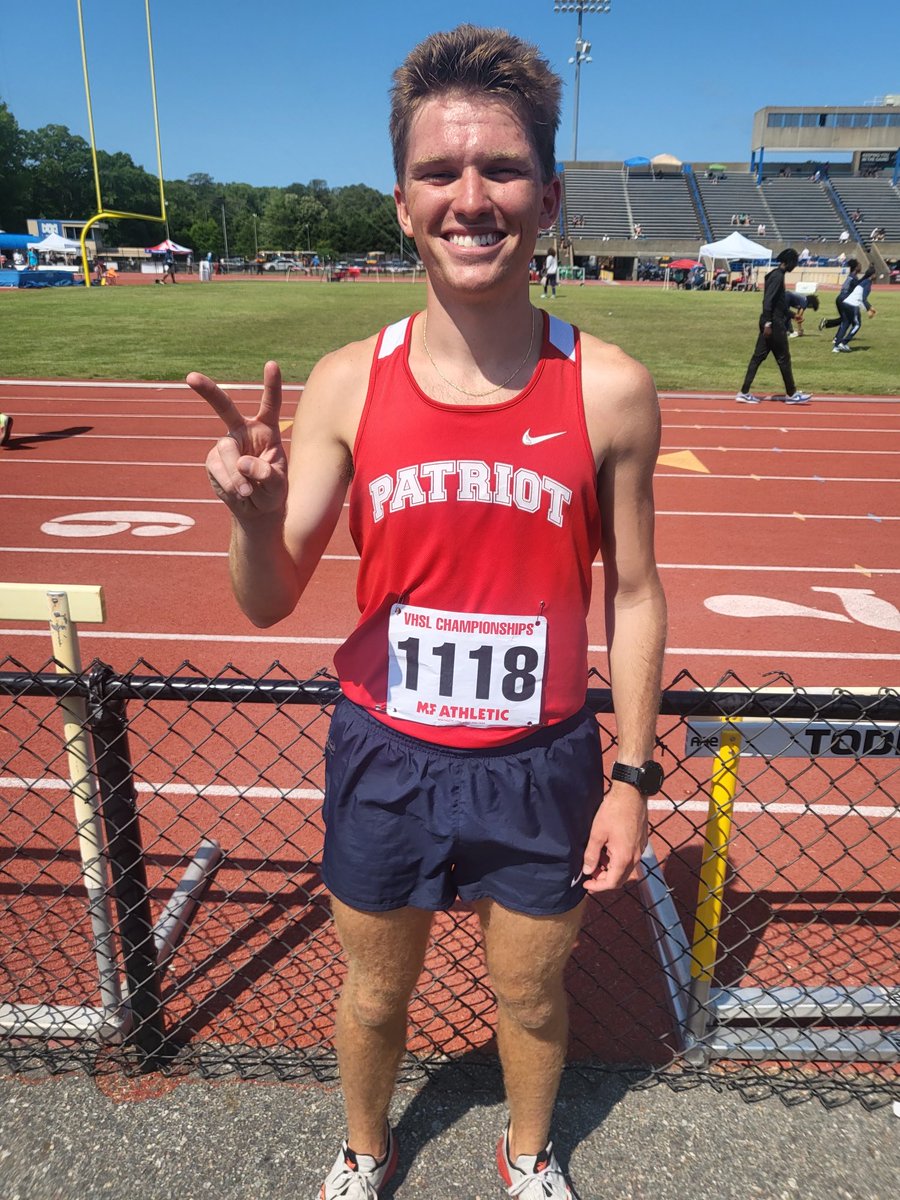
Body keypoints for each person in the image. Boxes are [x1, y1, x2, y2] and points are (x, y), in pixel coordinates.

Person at [188, 24, 666, 1200]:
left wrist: (635, 776)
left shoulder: (606, 386)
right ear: (402, 201)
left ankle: (527, 1152)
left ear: (547, 196)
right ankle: (363, 1147)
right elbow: (266, 602)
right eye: (439, 174)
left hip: (539, 759)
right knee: (374, 991)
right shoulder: (352, 378)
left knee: (532, 993)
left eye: (500, 170)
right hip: (386, 751)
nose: (471, 199)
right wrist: (251, 518)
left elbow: (639, 593)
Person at [736, 248, 812, 405]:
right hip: (773, 323)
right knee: (784, 358)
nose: (795, 266)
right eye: (795, 262)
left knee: (757, 358)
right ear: (789, 262)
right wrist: (768, 324)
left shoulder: (776, 275)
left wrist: (792, 315)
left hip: (769, 321)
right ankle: (791, 395)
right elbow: (768, 302)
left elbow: (780, 304)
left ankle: (744, 392)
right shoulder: (777, 277)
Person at [832, 265, 877, 351]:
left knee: (845, 323)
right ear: (872, 275)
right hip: (852, 305)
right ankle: (843, 343)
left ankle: (836, 347)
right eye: (875, 274)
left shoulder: (863, 282)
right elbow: (863, 299)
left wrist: (869, 308)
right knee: (857, 325)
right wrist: (869, 309)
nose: (876, 276)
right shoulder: (867, 284)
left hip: (845, 302)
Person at [819, 257, 861, 339]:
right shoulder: (854, 278)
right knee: (847, 320)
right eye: (859, 265)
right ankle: (837, 339)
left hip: (840, 298)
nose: (860, 266)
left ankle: (827, 323)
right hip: (844, 299)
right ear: (856, 267)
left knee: (844, 319)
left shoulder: (850, 276)